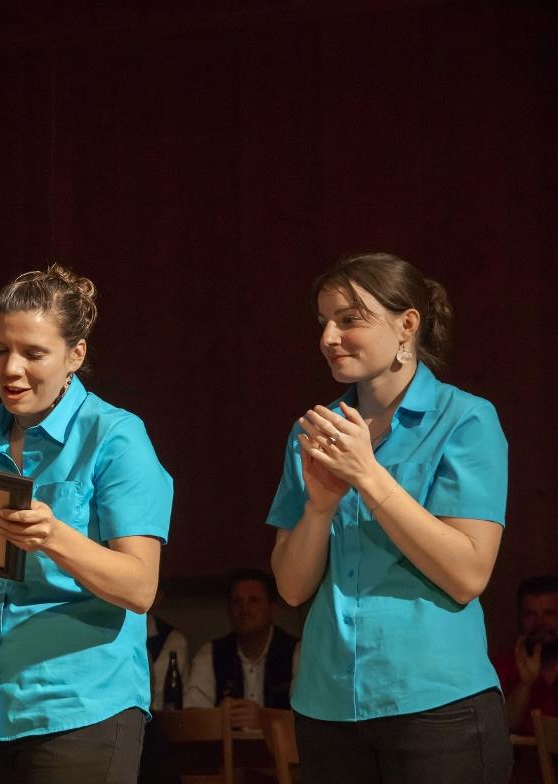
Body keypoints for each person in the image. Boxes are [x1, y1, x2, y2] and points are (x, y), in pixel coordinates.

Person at [0, 264, 173, 784]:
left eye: (33, 353)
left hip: (80, 709)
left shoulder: (115, 437)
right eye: (0, 349)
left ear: (76, 355)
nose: (11, 369)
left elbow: (140, 587)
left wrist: (55, 537)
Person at [267, 252, 511, 784]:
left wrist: (369, 476)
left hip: (437, 706)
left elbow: (468, 574)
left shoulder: (466, 419)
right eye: (324, 321)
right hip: (327, 705)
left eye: (350, 319)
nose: (329, 337)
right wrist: (320, 506)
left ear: (407, 325)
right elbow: (289, 587)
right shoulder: (314, 431)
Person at [183, 568, 300, 729]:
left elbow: (307, 722)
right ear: (228, 609)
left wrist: (264, 720)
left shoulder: (296, 652)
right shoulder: (210, 653)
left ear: (273, 609)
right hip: (225, 752)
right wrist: (218, 717)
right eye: (236, 601)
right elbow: (191, 717)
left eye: (253, 600)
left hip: (281, 753)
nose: (244, 609)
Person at [492, 575, 558, 733]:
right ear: (519, 619)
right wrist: (525, 684)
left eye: (550, 614)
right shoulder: (501, 667)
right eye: (530, 615)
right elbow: (501, 730)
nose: (540, 622)